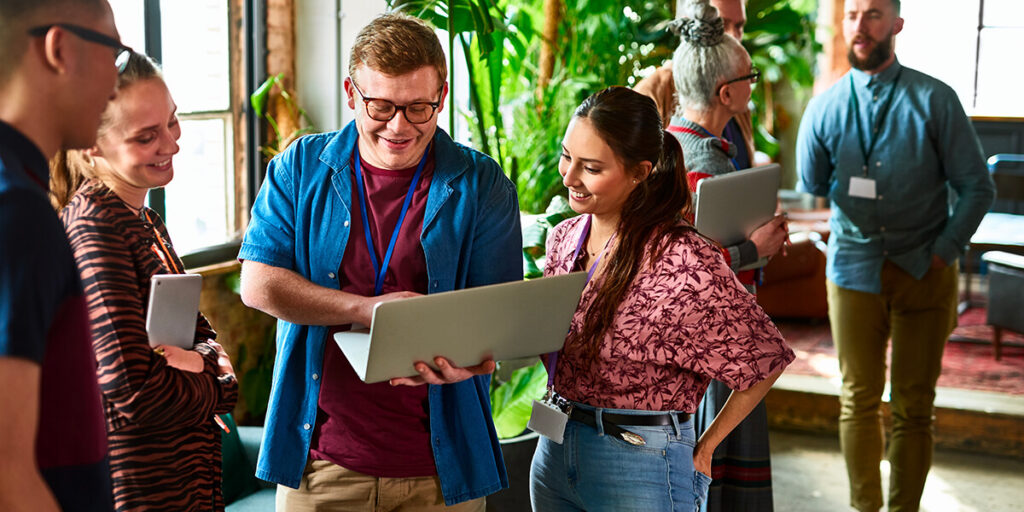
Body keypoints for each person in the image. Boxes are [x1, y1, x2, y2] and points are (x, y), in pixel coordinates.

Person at [237, 12, 522, 511]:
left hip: (441, 469)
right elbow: (258, 284)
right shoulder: (300, 167)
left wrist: (467, 361)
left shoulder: (482, 185)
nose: (399, 126)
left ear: (443, 96)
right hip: (321, 464)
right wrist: (365, 310)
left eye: (419, 108)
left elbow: (497, 315)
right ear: (351, 93)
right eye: (381, 106)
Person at [529, 86, 794, 512]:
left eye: (591, 167)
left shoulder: (684, 259)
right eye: (567, 156)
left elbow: (766, 358)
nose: (568, 177)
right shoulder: (563, 238)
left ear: (639, 172)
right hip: (555, 450)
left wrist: (705, 449)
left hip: (640, 460)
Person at [796, 1, 995, 511]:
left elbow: (977, 187)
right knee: (857, 400)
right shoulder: (824, 107)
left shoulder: (935, 99)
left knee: (914, 407)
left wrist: (944, 251)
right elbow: (813, 185)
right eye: (852, 15)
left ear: (897, 24)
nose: (860, 26)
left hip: (924, 269)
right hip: (852, 269)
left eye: (874, 14)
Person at [51, 51, 238, 511]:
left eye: (172, 123)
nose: (172, 145)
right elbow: (135, 394)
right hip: (145, 491)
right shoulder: (96, 230)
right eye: (146, 137)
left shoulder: (145, 219)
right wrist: (216, 383)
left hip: (186, 481)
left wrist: (202, 359)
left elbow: (202, 338)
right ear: (91, 144)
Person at [0, 1, 123, 510]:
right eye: (113, 53)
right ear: (60, 48)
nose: (116, 87)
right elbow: (7, 472)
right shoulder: (18, 212)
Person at [665, 2, 788, 510]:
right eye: (749, 77)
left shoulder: (671, 142)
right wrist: (753, 249)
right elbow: (688, 262)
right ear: (727, 92)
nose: (753, 85)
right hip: (716, 345)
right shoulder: (702, 162)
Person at [634, 0, 754, 164]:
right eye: (720, 25)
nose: (733, 36)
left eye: (739, 26)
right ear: (688, 24)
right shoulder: (649, 95)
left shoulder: (738, 88)